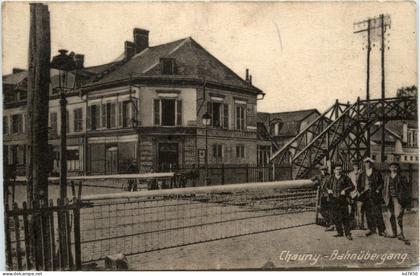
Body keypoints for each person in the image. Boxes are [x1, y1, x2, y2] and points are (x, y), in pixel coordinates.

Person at [325, 163, 355, 240]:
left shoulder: (345, 178)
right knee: (336, 217)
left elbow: (352, 187)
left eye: (340, 169)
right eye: (337, 169)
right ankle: (339, 232)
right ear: (334, 171)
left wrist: (345, 190)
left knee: (345, 217)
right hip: (333, 200)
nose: (338, 171)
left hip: (343, 200)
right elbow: (325, 186)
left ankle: (348, 233)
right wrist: (328, 190)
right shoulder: (330, 178)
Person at [382, 162, 410, 242]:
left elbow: (406, 189)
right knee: (391, 215)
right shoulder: (387, 177)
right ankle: (393, 233)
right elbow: (384, 188)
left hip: (398, 199)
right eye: (392, 167)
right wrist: (385, 197)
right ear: (389, 168)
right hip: (389, 198)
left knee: (398, 216)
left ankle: (400, 234)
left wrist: (402, 198)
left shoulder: (402, 177)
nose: (393, 169)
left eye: (395, 167)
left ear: (398, 169)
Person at [357, 157, 386, 237]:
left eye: (369, 163)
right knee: (368, 213)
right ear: (364, 164)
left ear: (372, 164)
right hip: (366, 195)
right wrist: (360, 192)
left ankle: (381, 230)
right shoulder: (362, 174)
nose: (368, 164)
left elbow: (381, 183)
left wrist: (378, 190)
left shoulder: (377, 173)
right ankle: (371, 229)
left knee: (378, 212)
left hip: (375, 195)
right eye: (366, 163)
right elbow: (359, 184)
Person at [312, 165, 334, 231]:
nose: (324, 171)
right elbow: (311, 180)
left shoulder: (330, 176)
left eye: (325, 170)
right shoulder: (318, 176)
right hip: (322, 195)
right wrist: (316, 184)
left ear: (326, 170)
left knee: (329, 209)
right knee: (321, 210)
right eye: (322, 170)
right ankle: (329, 222)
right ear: (320, 170)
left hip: (329, 195)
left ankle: (330, 224)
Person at [347, 159, 365, 230]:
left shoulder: (362, 173)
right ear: (353, 166)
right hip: (352, 193)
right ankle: (352, 224)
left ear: (359, 166)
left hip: (360, 193)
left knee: (360, 209)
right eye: (354, 166)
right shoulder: (350, 174)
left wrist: (361, 191)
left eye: (357, 166)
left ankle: (361, 225)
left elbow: (363, 183)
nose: (356, 167)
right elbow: (348, 183)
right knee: (352, 209)